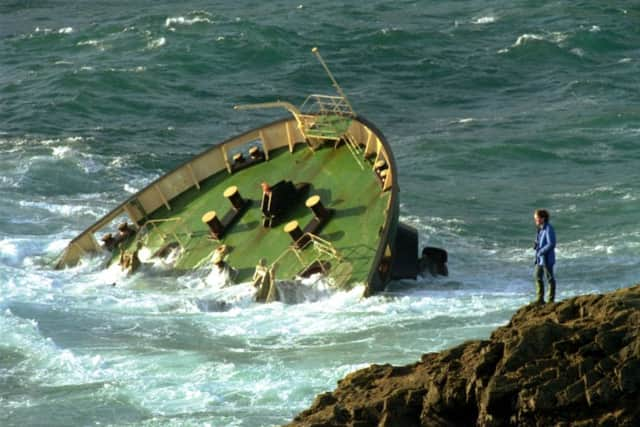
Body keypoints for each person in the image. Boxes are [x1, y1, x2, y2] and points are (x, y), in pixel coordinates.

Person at [533, 209, 556, 304]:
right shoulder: (540, 229)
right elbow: (540, 241)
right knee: (537, 276)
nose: (536, 221)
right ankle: (540, 299)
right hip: (539, 259)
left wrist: (541, 251)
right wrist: (536, 244)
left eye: (537, 218)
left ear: (543, 218)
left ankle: (550, 300)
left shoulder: (548, 228)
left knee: (549, 278)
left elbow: (551, 243)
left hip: (546, 258)